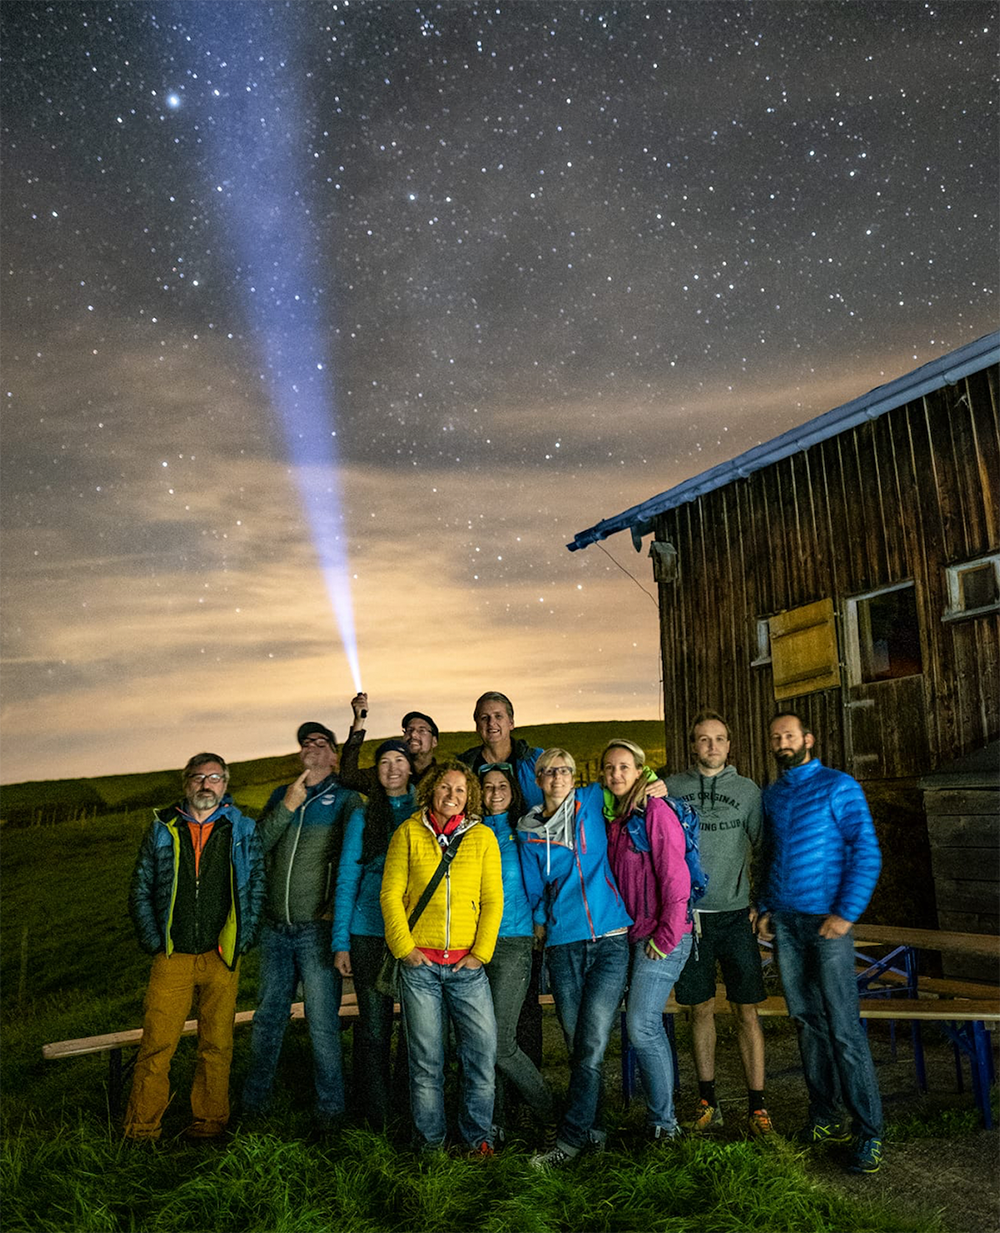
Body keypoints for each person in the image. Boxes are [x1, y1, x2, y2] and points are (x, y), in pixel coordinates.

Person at [757, 712, 885, 1174]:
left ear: (808, 739)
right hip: (788, 925)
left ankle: (869, 1132)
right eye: (776, 738)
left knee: (843, 1028)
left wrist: (846, 913)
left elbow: (866, 849)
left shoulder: (838, 785)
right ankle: (825, 1116)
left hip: (828, 923)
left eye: (789, 735)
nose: (782, 742)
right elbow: (773, 856)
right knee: (807, 1022)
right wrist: (766, 906)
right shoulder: (774, 795)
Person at [124, 753, 264, 1141]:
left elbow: (256, 886)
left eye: (215, 777)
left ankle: (209, 1123)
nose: (207, 784)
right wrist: (155, 941)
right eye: (199, 777)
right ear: (186, 783)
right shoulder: (161, 829)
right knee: (157, 1044)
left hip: (221, 956)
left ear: (225, 784)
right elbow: (140, 889)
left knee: (217, 1045)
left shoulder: (242, 828)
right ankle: (142, 1128)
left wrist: (244, 939)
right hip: (173, 956)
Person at [517, 748, 633, 1169]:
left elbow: (630, 782)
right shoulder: (527, 830)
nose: (558, 776)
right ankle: (596, 1130)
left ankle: (567, 1142)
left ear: (573, 774)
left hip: (609, 938)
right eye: (549, 771)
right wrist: (538, 920)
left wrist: (655, 781)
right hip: (563, 944)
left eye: (565, 769)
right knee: (576, 1044)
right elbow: (532, 888)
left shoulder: (591, 800)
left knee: (592, 1044)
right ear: (539, 779)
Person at [380, 760, 503, 1154]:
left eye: (461, 790)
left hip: (467, 967)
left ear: (471, 797)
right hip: (421, 969)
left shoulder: (483, 838)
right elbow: (391, 895)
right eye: (445, 788)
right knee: (426, 1062)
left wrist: (481, 953)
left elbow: (492, 900)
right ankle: (431, 1146)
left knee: (481, 1058)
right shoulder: (409, 833)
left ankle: (476, 1140)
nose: (452, 796)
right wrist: (404, 949)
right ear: (432, 790)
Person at [241, 722, 359, 1130]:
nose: (311, 747)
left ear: (333, 756)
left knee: (322, 1022)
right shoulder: (281, 796)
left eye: (320, 742)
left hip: (316, 929)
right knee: (267, 1018)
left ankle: (331, 1111)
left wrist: (333, 915)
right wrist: (288, 806)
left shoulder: (346, 801)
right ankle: (254, 1107)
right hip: (275, 929)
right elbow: (257, 847)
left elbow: (351, 865)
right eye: (305, 742)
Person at [665, 710, 772, 1137]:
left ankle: (758, 1107)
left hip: (734, 916)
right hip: (691, 919)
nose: (712, 746)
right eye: (703, 739)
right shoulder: (672, 788)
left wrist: (759, 903)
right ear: (693, 745)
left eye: (720, 739)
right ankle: (708, 1101)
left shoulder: (748, 793)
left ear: (730, 745)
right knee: (700, 1009)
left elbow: (765, 848)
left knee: (747, 1010)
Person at [603, 740, 692, 1142]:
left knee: (641, 1024)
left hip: (666, 934)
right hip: (636, 934)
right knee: (640, 1024)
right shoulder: (618, 817)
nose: (616, 774)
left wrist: (667, 935)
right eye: (609, 768)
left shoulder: (655, 812)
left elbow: (675, 877)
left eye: (624, 767)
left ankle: (665, 1124)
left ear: (641, 771)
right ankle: (659, 1117)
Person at [332, 739, 416, 1128]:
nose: (393, 768)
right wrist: (341, 942)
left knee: (417, 1030)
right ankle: (377, 1117)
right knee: (374, 1028)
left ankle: (410, 1109)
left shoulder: (422, 812)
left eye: (400, 760)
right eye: (385, 762)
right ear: (376, 771)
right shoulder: (363, 817)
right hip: (367, 933)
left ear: (411, 767)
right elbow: (347, 878)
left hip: (416, 935)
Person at [477, 762, 556, 1143]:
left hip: (512, 942)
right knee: (481, 1040)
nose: (495, 792)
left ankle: (552, 1115)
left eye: (502, 785)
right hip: (474, 947)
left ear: (513, 790)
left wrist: (539, 921)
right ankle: (495, 1123)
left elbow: (538, 879)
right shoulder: (470, 833)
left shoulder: (522, 831)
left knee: (501, 1043)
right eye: (488, 786)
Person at [459, 691, 544, 808]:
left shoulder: (537, 760)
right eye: (484, 718)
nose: (491, 723)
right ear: (477, 726)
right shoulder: (464, 767)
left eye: (498, 716)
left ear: (511, 723)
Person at [341, 692, 439, 790]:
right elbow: (349, 778)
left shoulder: (443, 777)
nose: (413, 734)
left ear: (434, 741)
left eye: (422, 730)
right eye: (409, 730)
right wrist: (359, 721)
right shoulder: (389, 774)